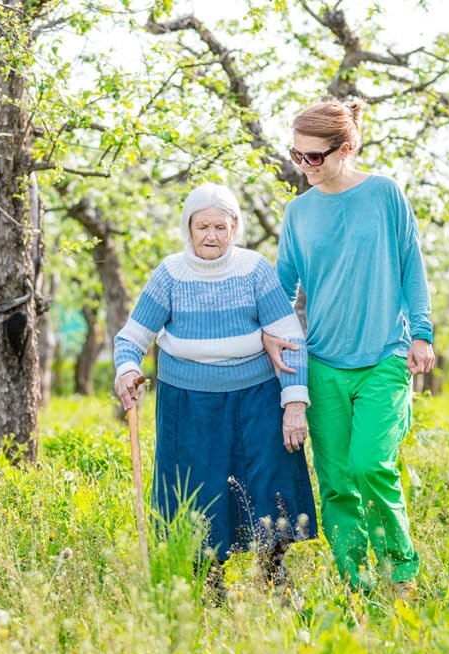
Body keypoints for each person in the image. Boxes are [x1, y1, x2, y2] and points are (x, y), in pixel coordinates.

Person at [113, 182, 317, 602]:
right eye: (202, 226)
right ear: (188, 228)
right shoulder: (170, 274)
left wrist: (294, 402)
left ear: (235, 227)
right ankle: (208, 583)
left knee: (268, 481)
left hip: (256, 396)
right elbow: (131, 338)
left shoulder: (254, 270)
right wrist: (127, 369)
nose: (211, 236)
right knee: (198, 489)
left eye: (221, 227)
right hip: (189, 403)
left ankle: (272, 575)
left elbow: (289, 338)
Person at [266, 97, 435, 594]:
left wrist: (422, 332)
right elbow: (281, 290)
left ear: (346, 149)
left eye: (314, 156)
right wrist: (266, 335)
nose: (304, 165)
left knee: (370, 465)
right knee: (338, 482)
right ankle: (354, 582)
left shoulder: (385, 194)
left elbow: (411, 265)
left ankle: (400, 573)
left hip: (384, 356)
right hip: (322, 363)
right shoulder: (298, 213)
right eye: (296, 154)